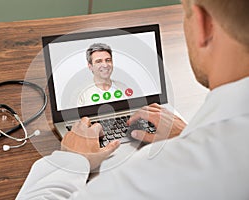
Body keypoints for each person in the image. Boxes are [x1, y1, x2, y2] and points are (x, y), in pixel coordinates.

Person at [17, 0, 249, 199]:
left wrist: (74, 160)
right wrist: (189, 135)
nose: (104, 64)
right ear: (90, 66)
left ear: (203, 24)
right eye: (98, 61)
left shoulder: (145, 179)